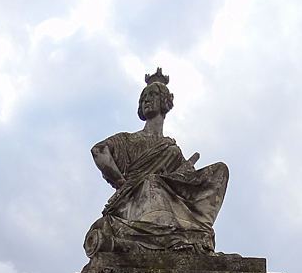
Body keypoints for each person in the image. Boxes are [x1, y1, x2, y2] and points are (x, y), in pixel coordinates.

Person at [84, 69, 229, 256]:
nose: (146, 100)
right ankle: (174, 233)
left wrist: (186, 172)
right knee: (153, 181)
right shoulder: (128, 140)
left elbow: (178, 183)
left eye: (152, 95)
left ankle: (196, 227)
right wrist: (121, 183)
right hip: (135, 197)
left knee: (220, 170)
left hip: (163, 196)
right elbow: (99, 151)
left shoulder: (172, 150)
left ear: (165, 102)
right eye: (143, 97)